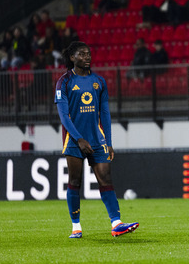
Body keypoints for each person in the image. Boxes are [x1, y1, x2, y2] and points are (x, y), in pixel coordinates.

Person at [55, 41, 138, 238]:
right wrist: (78, 138)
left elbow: (105, 114)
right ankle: (76, 226)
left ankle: (116, 223)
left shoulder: (99, 81)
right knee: (75, 180)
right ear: (73, 58)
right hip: (74, 140)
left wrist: (108, 142)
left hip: (97, 138)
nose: (87, 57)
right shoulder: (64, 82)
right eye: (82, 54)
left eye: (89, 53)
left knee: (106, 179)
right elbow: (64, 115)